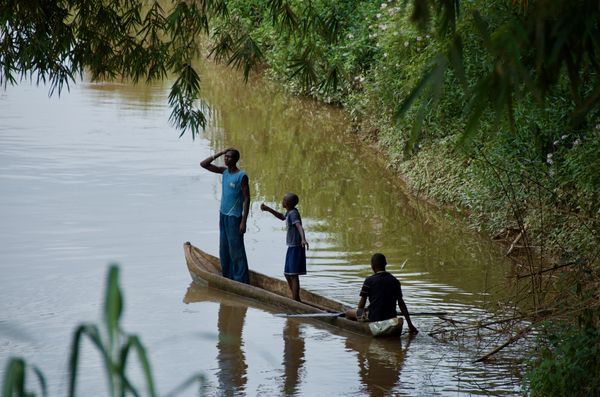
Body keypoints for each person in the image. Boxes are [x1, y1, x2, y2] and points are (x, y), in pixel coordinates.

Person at [201, 148, 250, 284]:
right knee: (224, 247)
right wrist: (220, 152)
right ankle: (228, 277)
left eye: (229, 157)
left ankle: (241, 280)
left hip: (235, 218)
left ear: (235, 160)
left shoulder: (242, 176)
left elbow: (247, 199)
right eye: (226, 157)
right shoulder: (224, 171)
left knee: (236, 249)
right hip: (223, 215)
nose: (226, 159)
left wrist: (243, 222)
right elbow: (203, 164)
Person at [346, 253, 418, 334]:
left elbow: (361, 306)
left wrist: (359, 313)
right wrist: (410, 324)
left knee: (348, 312)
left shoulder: (369, 281)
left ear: (372, 266)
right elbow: (401, 304)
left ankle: (360, 329)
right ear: (386, 264)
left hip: (373, 317)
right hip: (390, 316)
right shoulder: (395, 281)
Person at [260, 193, 308, 301]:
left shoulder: (293, 214)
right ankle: (295, 298)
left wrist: (303, 239)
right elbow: (282, 217)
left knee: (293, 275)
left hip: (296, 246)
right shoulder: (289, 212)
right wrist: (268, 209)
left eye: (284, 200)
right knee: (287, 274)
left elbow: (299, 226)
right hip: (291, 246)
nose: (282, 201)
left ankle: (296, 300)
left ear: (288, 203)